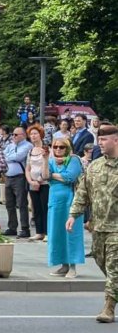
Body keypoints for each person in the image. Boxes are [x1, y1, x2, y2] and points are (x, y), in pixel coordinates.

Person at [68, 124, 118, 322]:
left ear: (116, 140)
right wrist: (74, 214)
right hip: (98, 227)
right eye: (99, 140)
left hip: (116, 228)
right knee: (102, 261)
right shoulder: (95, 166)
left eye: (104, 140)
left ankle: (109, 307)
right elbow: (83, 192)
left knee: (114, 266)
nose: (100, 144)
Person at [46, 136, 84, 278]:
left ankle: (73, 266)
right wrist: (55, 174)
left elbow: (70, 177)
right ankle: (63, 265)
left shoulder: (73, 159)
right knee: (57, 233)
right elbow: (44, 175)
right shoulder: (50, 161)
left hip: (70, 201)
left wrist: (54, 175)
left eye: (61, 147)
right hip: (55, 202)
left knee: (71, 232)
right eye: (55, 147)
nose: (58, 149)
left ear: (67, 148)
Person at [3, 126, 31, 237]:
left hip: (20, 177)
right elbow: (3, 156)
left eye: (16, 134)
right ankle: (12, 227)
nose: (13, 136)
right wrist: (10, 157)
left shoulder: (28, 146)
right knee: (9, 204)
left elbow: (18, 157)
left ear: (23, 135)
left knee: (22, 203)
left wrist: (9, 157)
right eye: (13, 134)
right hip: (8, 177)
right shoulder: (10, 146)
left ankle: (25, 228)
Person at [25, 125, 50, 241]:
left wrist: (39, 180)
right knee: (36, 208)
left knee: (45, 207)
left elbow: (48, 165)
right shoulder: (30, 151)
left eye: (35, 133)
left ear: (40, 135)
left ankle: (47, 232)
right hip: (33, 183)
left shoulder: (46, 149)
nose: (33, 136)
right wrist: (31, 181)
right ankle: (39, 231)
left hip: (44, 183)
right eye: (31, 134)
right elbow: (28, 168)